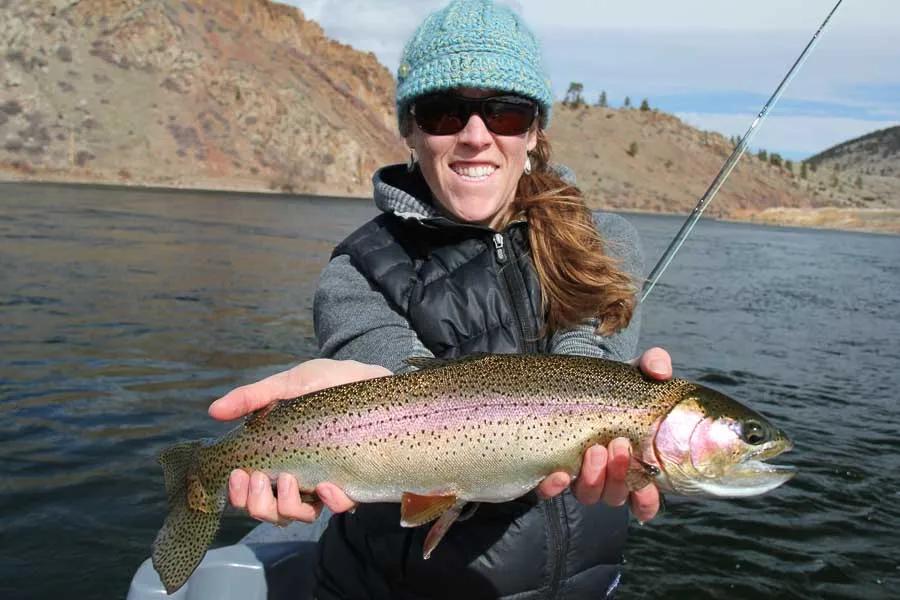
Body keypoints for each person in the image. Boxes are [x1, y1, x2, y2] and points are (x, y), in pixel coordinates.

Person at [208, 0, 672, 597]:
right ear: (410, 129)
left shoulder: (603, 240)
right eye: (444, 112)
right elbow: (401, 391)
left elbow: (590, 374)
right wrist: (346, 400)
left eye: (505, 113)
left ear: (533, 133)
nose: (476, 137)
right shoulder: (358, 269)